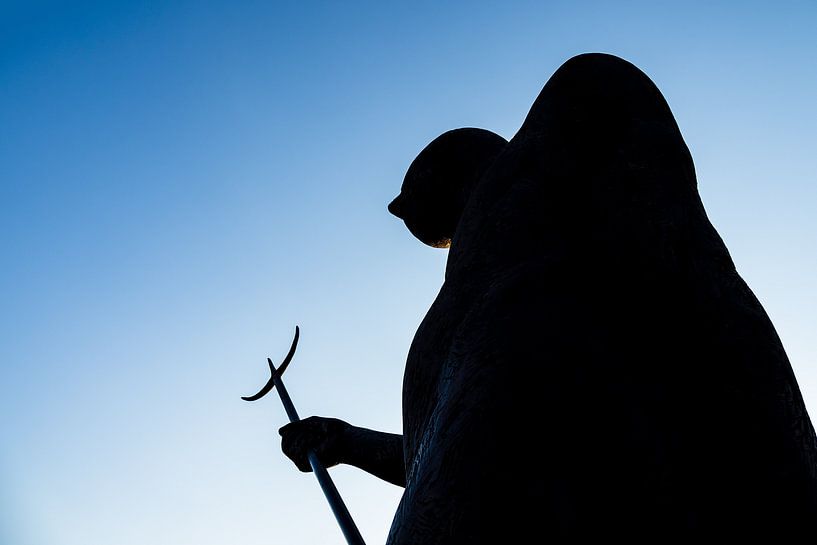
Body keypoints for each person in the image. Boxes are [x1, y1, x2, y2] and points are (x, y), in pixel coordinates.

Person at [279, 53, 817, 542]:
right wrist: (347, 442)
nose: (397, 210)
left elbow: (525, 418)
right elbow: (444, 453)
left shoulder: (559, 171)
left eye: (411, 195)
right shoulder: (471, 291)